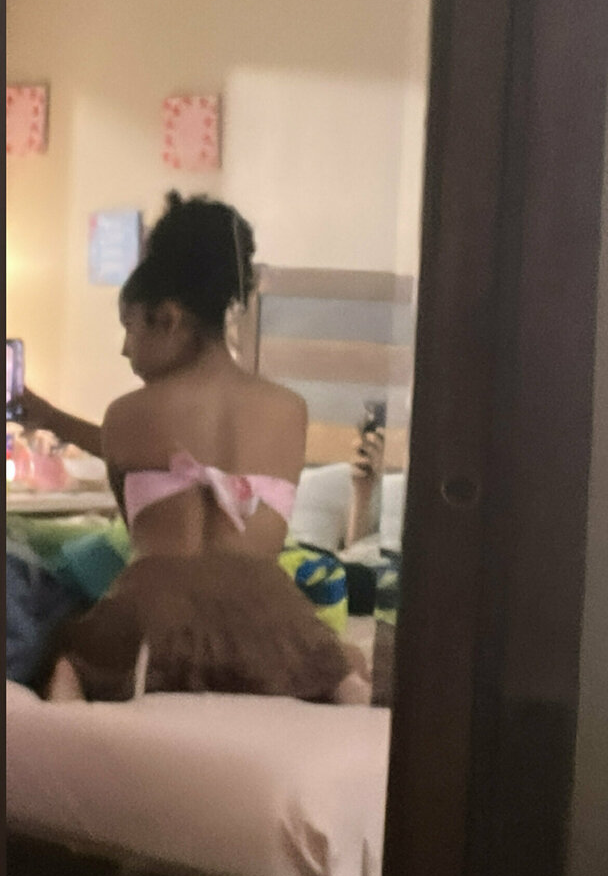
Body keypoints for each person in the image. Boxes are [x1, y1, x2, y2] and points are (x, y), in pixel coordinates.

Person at [19, 192, 369, 705]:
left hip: (151, 613)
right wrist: (52, 417)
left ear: (168, 317)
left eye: (129, 329)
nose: (125, 348)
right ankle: (350, 700)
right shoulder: (290, 410)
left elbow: (134, 503)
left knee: (68, 660)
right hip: (269, 615)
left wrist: (52, 420)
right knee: (337, 661)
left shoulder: (127, 413)